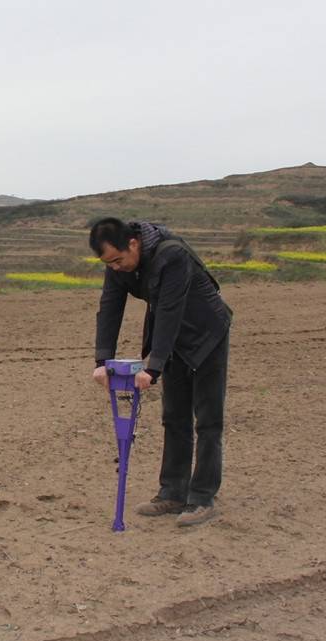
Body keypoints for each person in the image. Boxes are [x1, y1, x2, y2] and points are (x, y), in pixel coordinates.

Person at [89, 218, 232, 526]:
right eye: (108, 263)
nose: (114, 267)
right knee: (174, 416)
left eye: (117, 260)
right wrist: (102, 362)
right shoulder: (119, 266)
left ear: (133, 244)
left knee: (207, 420)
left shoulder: (172, 255)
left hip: (207, 332)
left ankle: (202, 497)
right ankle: (172, 492)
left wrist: (152, 368)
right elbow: (110, 307)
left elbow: (169, 310)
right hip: (174, 339)